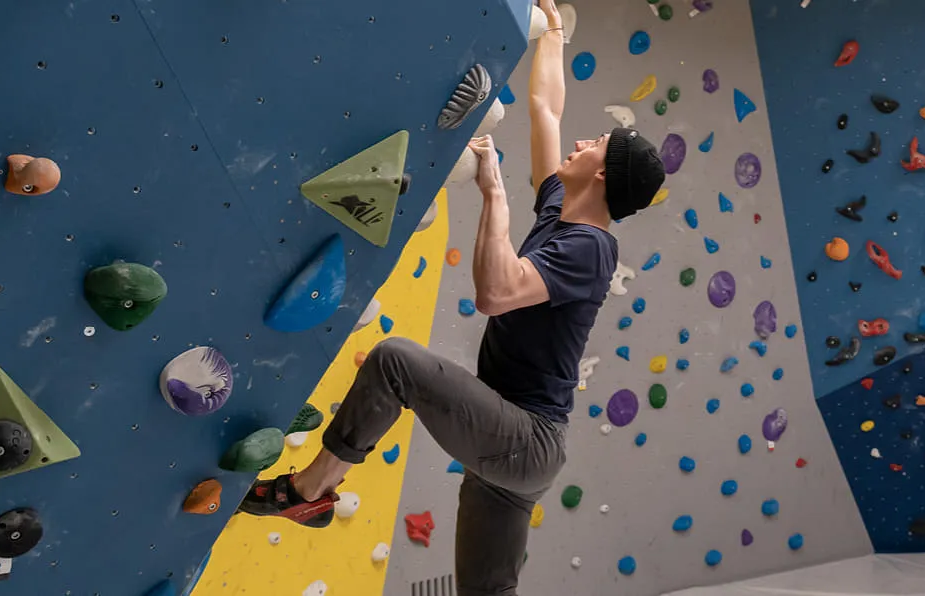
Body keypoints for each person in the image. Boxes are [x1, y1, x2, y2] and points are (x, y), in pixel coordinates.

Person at [235, 1, 665, 593]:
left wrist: (494, 198)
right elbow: (545, 107)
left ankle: (311, 491)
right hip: (517, 452)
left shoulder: (591, 247)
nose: (582, 140)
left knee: (395, 364)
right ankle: (314, 492)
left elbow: (495, 292)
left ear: (603, 175)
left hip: (527, 442)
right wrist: (555, 35)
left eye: (596, 143)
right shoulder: (561, 207)